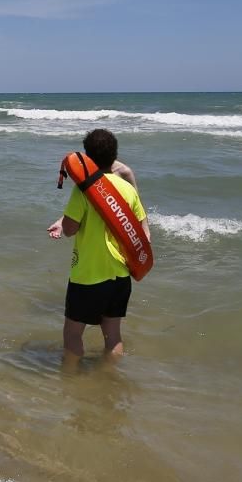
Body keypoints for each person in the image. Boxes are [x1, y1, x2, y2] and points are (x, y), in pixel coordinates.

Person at [47, 129, 150, 369]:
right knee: (112, 335)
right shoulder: (127, 189)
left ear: (88, 160)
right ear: (114, 156)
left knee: (73, 334)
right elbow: (140, 229)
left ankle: (70, 380)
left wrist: (63, 225)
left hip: (89, 275)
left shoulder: (84, 190)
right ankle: (109, 379)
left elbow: (71, 229)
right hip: (121, 275)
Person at [48, 160, 136, 237]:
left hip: (119, 227)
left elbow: (136, 205)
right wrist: (61, 223)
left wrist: (144, 233)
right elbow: (82, 204)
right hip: (94, 229)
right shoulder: (88, 172)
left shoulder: (123, 172)